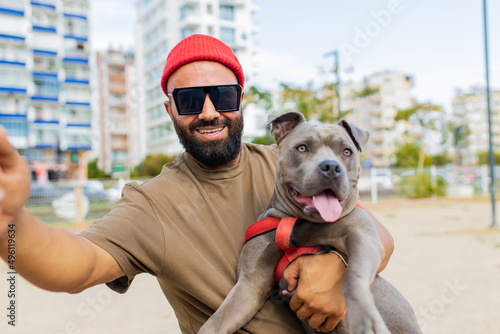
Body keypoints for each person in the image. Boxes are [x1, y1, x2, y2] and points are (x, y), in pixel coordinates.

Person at [0, 34, 393, 333]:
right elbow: (74, 267)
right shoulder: (151, 203)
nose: (208, 112)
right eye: (189, 100)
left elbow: (378, 236)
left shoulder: (294, 160)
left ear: (240, 100)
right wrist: (8, 221)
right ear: (170, 108)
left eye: (222, 95)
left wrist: (339, 270)